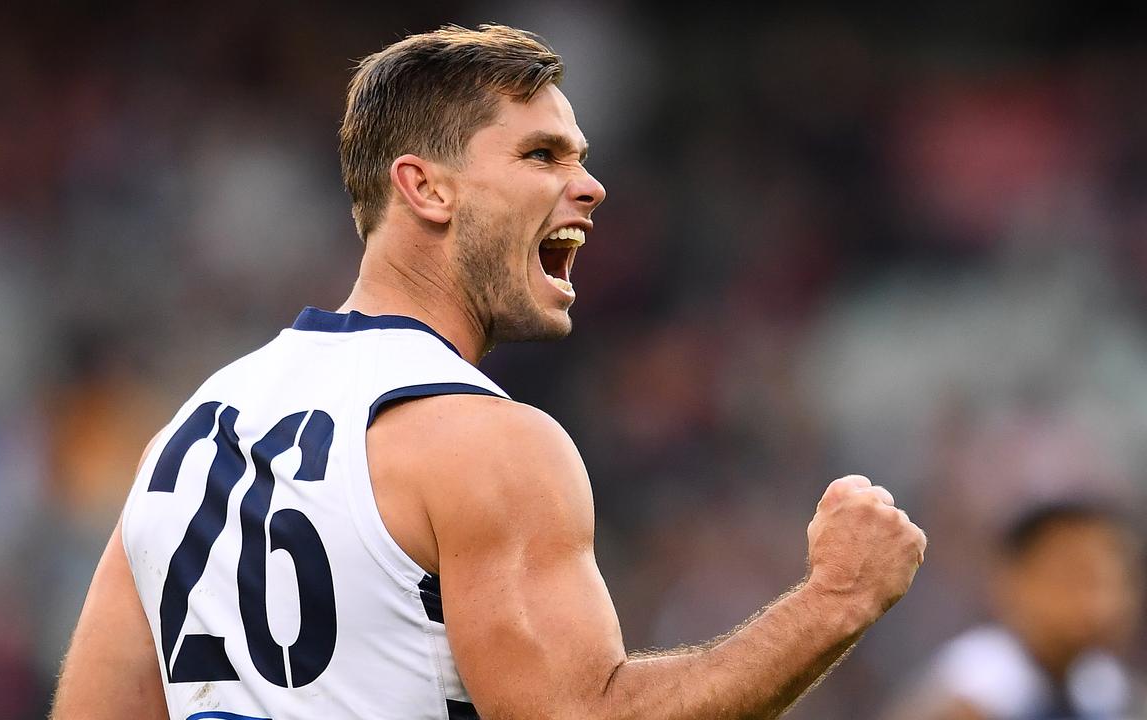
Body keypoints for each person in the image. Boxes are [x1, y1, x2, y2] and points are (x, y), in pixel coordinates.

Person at [51, 24, 926, 719]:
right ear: (426, 190)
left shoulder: (184, 441)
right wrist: (836, 601)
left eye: (579, 155)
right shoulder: (484, 441)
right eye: (542, 155)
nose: (591, 186)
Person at [884, 500, 1143, 720]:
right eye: (1073, 578)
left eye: (1113, 581)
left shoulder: (1104, 685)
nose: (1097, 601)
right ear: (1013, 579)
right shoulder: (975, 685)